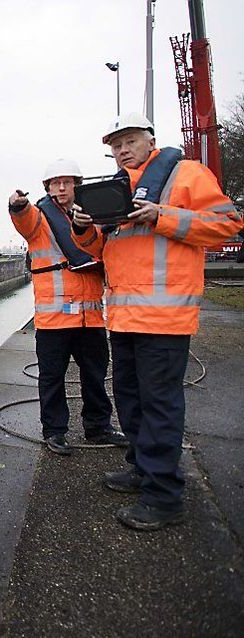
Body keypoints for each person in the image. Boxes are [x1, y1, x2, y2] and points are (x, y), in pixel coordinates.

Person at [71, 112, 244, 531]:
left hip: (165, 317)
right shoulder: (115, 190)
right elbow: (107, 246)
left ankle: (164, 496)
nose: (122, 150)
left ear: (150, 139)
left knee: (160, 406)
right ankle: (141, 468)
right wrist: (82, 230)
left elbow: (228, 224)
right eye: (116, 145)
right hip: (126, 316)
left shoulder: (186, 174)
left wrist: (161, 216)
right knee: (130, 401)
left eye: (130, 140)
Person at [8, 160, 125, 456]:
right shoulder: (39, 217)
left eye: (68, 182)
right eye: (55, 182)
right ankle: (55, 431)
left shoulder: (92, 216)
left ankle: (98, 426)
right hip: (54, 319)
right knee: (51, 378)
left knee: (95, 376)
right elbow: (24, 219)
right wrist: (17, 206)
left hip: (91, 318)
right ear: (47, 188)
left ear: (77, 185)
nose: (62, 187)